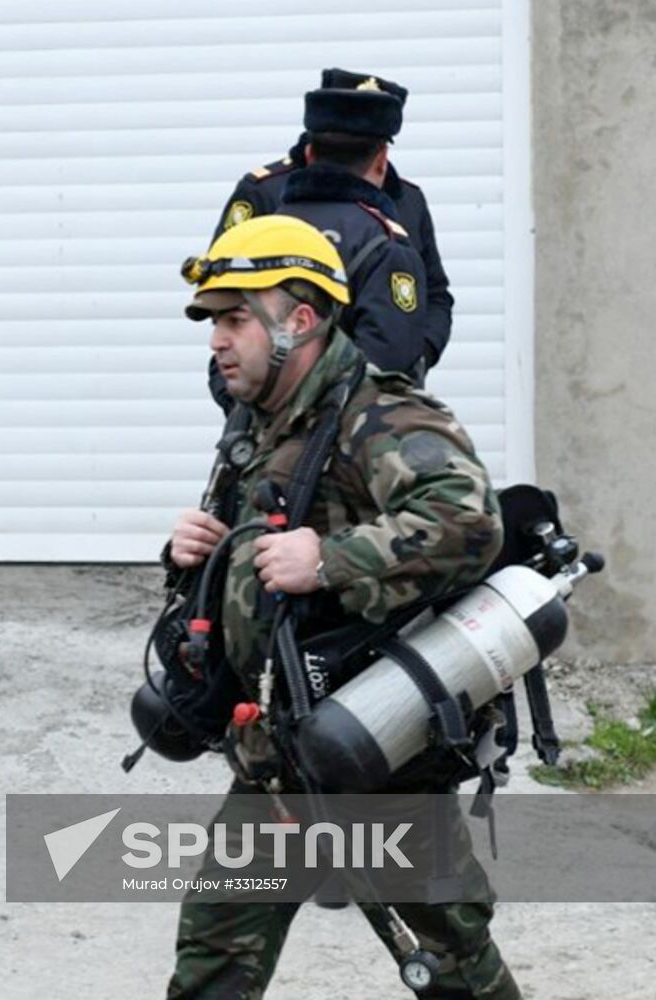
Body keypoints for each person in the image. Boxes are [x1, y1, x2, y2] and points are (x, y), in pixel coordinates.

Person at [163, 214, 519, 999]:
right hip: (278, 757)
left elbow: (468, 521)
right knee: (214, 952)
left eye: (234, 319)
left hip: (374, 754)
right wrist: (196, 552)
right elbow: (254, 557)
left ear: (298, 320)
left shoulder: (379, 416)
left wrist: (327, 560)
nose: (216, 341)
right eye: (212, 323)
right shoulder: (261, 425)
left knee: (451, 960)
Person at [209, 67, 452, 360]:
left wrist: (416, 357)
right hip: (273, 377)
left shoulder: (407, 199)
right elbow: (224, 292)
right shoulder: (266, 191)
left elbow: (434, 295)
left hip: (375, 381)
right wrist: (235, 383)